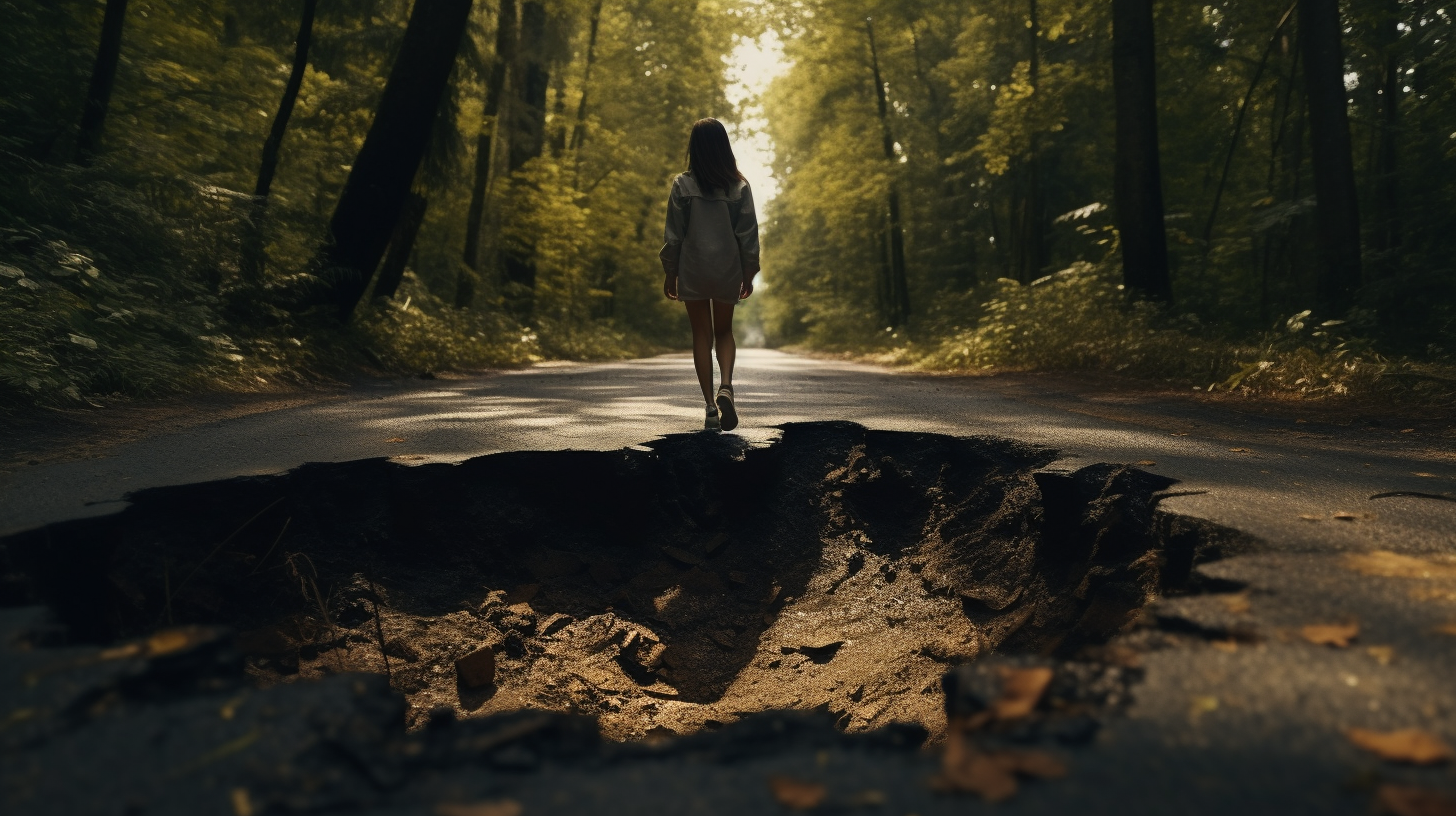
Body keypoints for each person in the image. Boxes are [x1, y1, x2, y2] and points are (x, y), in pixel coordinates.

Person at [659, 118, 760, 432]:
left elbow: (674, 235)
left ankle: (709, 409)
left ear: (695, 148)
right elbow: (748, 234)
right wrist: (749, 271)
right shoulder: (739, 186)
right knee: (724, 332)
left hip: (694, 267)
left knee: (701, 335)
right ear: (723, 147)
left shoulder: (682, 185)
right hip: (727, 267)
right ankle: (726, 386)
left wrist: (670, 272)